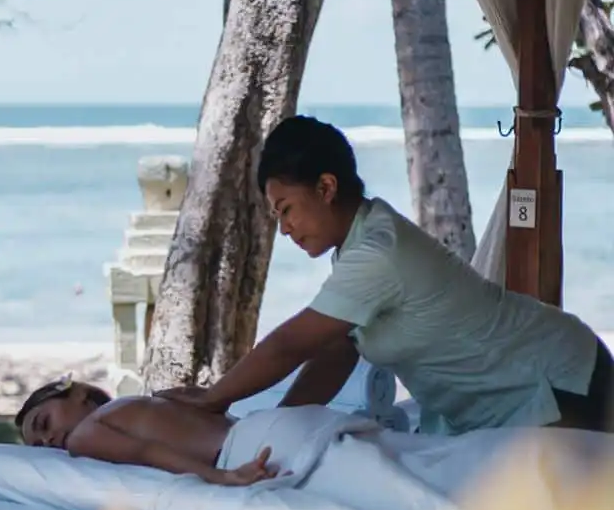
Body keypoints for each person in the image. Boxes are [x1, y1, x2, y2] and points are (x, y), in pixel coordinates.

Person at [156, 115, 613, 436]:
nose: (285, 227)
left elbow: (291, 344)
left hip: (558, 379)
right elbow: (336, 351)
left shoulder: (378, 251)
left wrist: (214, 399)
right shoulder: (356, 244)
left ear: (326, 187)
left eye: (287, 209)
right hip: (532, 383)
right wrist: (278, 423)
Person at [15, 376, 281, 486]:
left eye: (44, 423)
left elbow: (147, 451)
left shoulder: (83, 437)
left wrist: (224, 476)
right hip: (269, 431)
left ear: (78, 393)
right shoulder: (136, 403)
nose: (48, 440)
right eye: (40, 447)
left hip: (249, 453)